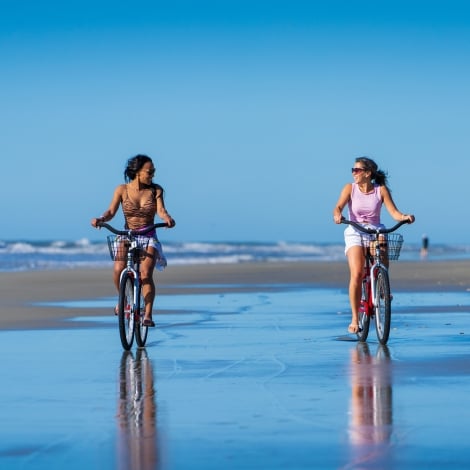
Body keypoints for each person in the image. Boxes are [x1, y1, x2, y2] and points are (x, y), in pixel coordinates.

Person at [91, 154, 175, 327]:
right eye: (149, 171)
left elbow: (161, 210)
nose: (152, 175)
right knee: (118, 269)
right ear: (137, 172)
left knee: (145, 274)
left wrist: (167, 218)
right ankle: (123, 300)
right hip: (127, 235)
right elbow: (111, 212)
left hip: (148, 235)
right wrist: (101, 219)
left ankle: (148, 314)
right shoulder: (121, 190)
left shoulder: (155, 190)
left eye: (153, 171)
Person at [333, 157, 415, 334]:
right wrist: (338, 214)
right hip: (355, 231)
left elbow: (394, 213)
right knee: (357, 273)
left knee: (383, 256)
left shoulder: (381, 190)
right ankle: (355, 318)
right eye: (353, 170)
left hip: (375, 230)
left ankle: (382, 286)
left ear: (368, 173)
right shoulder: (350, 188)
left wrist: (405, 217)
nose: (353, 173)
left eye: (357, 170)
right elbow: (338, 207)